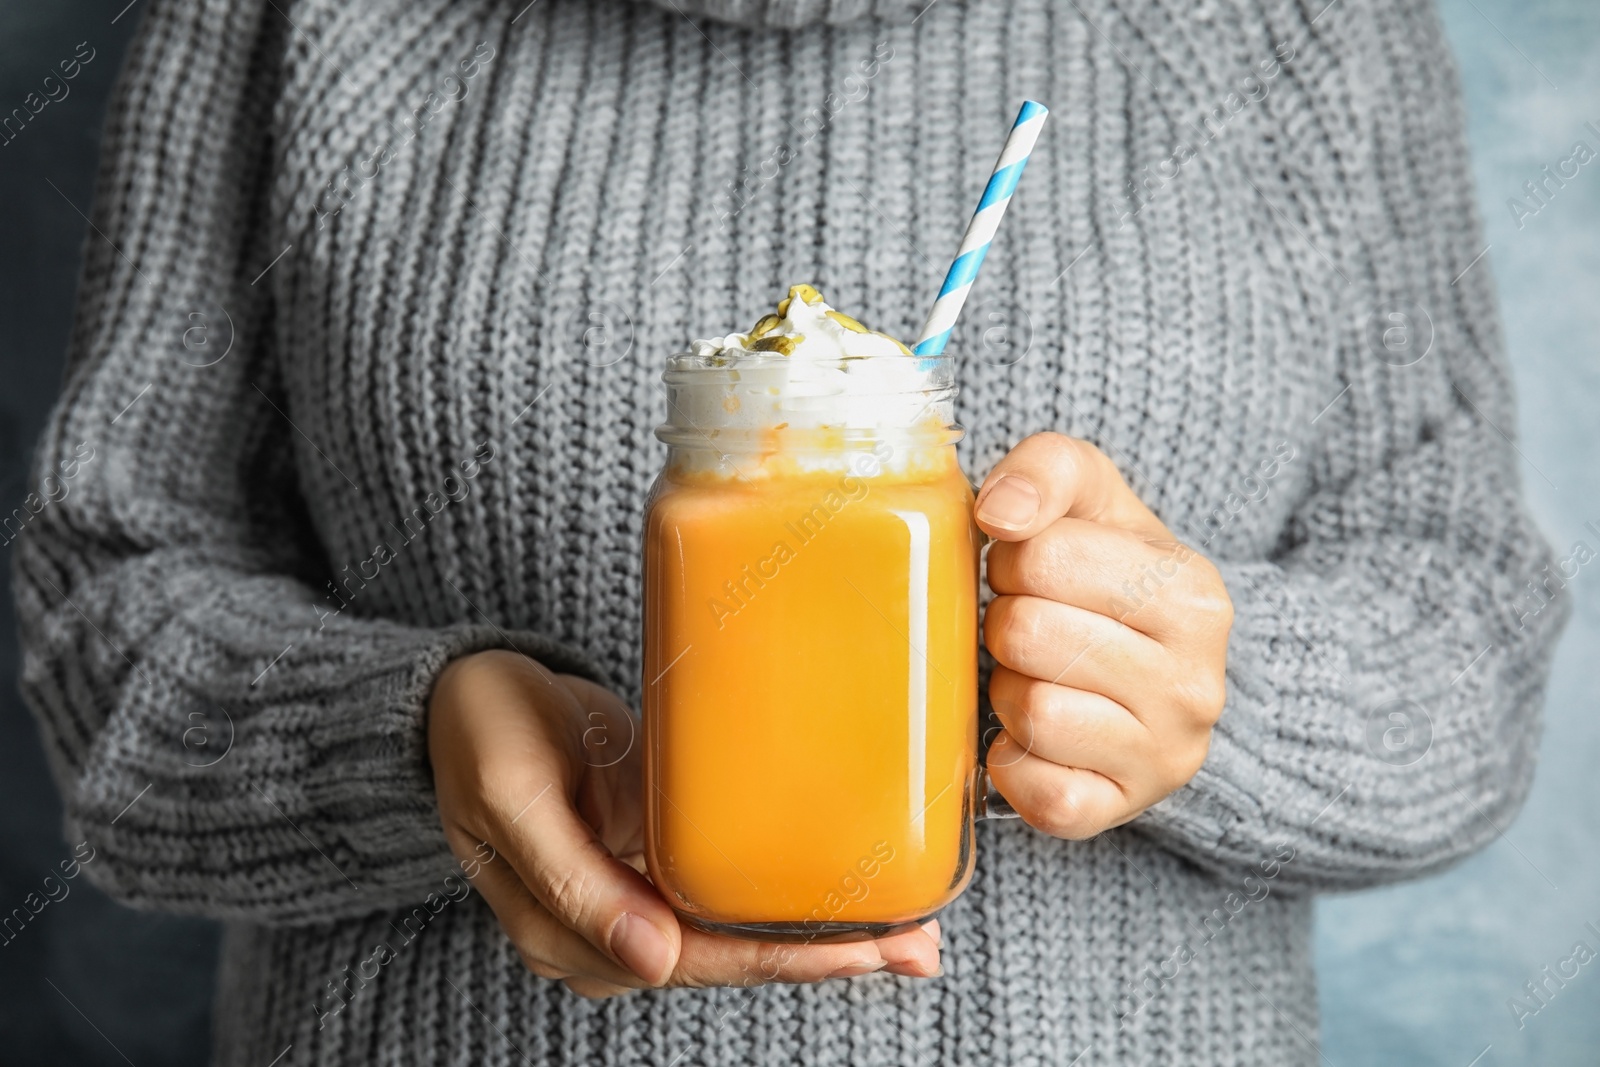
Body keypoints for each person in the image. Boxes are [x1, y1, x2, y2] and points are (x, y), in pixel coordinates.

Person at [15, 0, 1566, 1062]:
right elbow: (110, 613)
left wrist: (1213, 689)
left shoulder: (1296, 35)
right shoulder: (304, 23)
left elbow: (1470, 637)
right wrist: (408, 742)